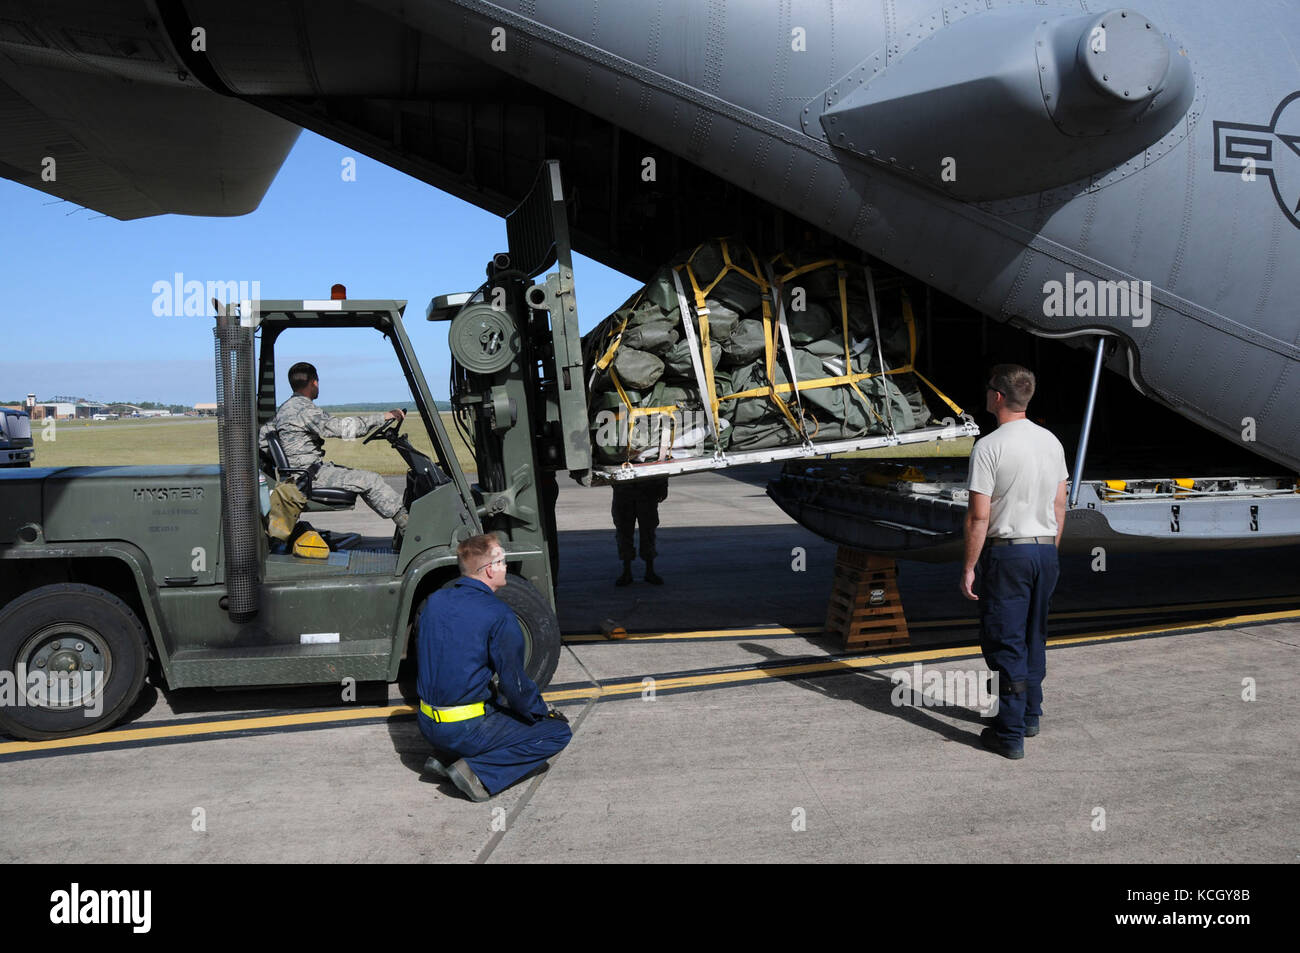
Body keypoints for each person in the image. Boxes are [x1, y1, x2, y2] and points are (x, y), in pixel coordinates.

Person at [960, 365, 1068, 760]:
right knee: (1032, 635)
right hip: (1044, 550)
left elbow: (978, 517)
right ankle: (1029, 715)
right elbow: (1060, 504)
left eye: (989, 390)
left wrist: (969, 566)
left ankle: (1009, 733)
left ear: (998, 397)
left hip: (1009, 553)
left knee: (1004, 640)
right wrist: (1049, 549)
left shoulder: (989, 446)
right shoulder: (1051, 442)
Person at [415, 533, 572, 801]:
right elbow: (516, 685)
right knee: (556, 734)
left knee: (491, 700)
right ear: (489, 569)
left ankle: (445, 757)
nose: (506, 567)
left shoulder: (435, 601)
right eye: (502, 561)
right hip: (463, 730)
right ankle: (475, 772)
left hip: (427, 723)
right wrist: (540, 714)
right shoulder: (498, 614)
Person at [258, 361, 410, 532]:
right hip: (309, 477)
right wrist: (383, 417)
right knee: (370, 479)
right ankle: (411, 529)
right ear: (313, 382)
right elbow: (343, 428)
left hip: (302, 475)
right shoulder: (304, 410)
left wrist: (287, 463)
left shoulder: (284, 409)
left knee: (360, 477)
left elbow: (263, 440)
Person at [611, 476, 668, 585]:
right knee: (624, 531)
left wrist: (663, 485)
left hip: (646, 490)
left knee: (648, 531)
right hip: (624, 490)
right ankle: (627, 571)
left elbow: (661, 463)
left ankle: (648, 571)